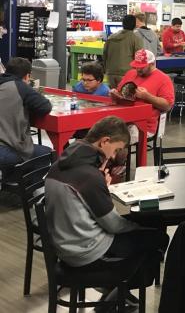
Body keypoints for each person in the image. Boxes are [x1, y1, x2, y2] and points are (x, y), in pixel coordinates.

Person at [44, 116, 169, 278]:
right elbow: (114, 225)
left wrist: (102, 186)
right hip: (87, 252)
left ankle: (120, 284)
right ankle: (121, 286)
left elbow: (83, 204)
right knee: (159, 237)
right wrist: (137, 225)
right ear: (105, 141)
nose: (113, 157)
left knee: (145, 227)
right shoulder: (90, 176)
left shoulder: (59, 165)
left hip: (65, 244)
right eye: (116, 150)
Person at [0, 57, 52, 179]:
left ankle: (10, 182)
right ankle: (19, 187)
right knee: (46, 154)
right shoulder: (20, 86)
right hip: (4, 150)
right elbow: (45, 106)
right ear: (27, 76)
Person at [111, 49, 174, 137]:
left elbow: (167, 106)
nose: (138, 69)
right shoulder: (130, 73)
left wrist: (147, 96)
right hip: (122, 119)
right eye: (136, 66)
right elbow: (119, 92)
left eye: (141, 67)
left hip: (143, 125)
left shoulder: (164, 79)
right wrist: (115, 94)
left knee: (117, 138)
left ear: (152, 64)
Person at [104, 14, 143, 89]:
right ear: (135, 25)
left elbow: (105, 55)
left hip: (110, 73)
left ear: (123, 24)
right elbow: (139, 57)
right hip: (127, 73)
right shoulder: (135, 38)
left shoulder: (111, 37)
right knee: (125, 95)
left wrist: (106, 69)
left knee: (113, 94)